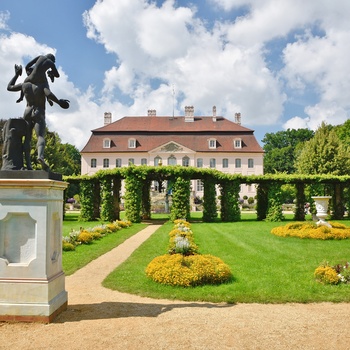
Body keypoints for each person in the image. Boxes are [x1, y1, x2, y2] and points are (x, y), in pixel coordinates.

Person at [6, 58, 69, 171]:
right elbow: (49, 94)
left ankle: (28, 165)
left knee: (27, 138)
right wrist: (59, 102)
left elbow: (9, 87)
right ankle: (40, 156)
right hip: (38, 111)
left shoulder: (25, 85)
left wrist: (16, 75)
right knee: (40, 136)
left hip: (27, 111)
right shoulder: (42, 84)